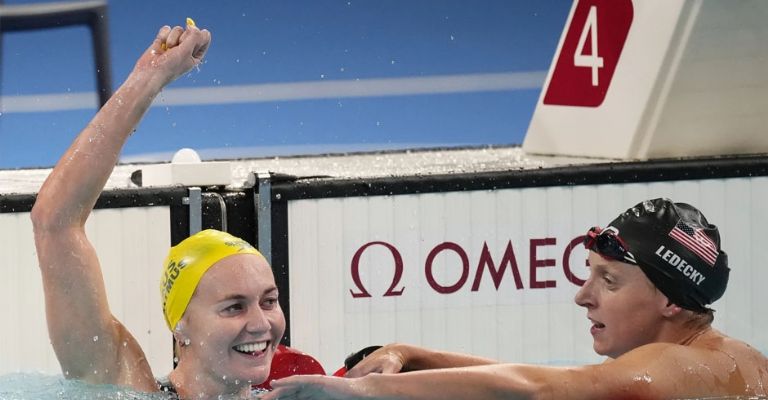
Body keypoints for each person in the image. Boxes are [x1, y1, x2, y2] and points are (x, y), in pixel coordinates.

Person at [262, 198, 768, 399]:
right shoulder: (709, 358)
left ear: (672, 301)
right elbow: (549, 379)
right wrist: (412, 354)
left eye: (609, 281)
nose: (582, 297)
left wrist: (357, 394)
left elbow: (542, 390)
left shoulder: (680, 370)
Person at [31, 22, 286, 398]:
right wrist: (149, 78)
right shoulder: (128, 389)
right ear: (180, 326)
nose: (260, 323)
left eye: (269, 301)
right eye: (234, 307)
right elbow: (54, 221)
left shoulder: (297, 389)